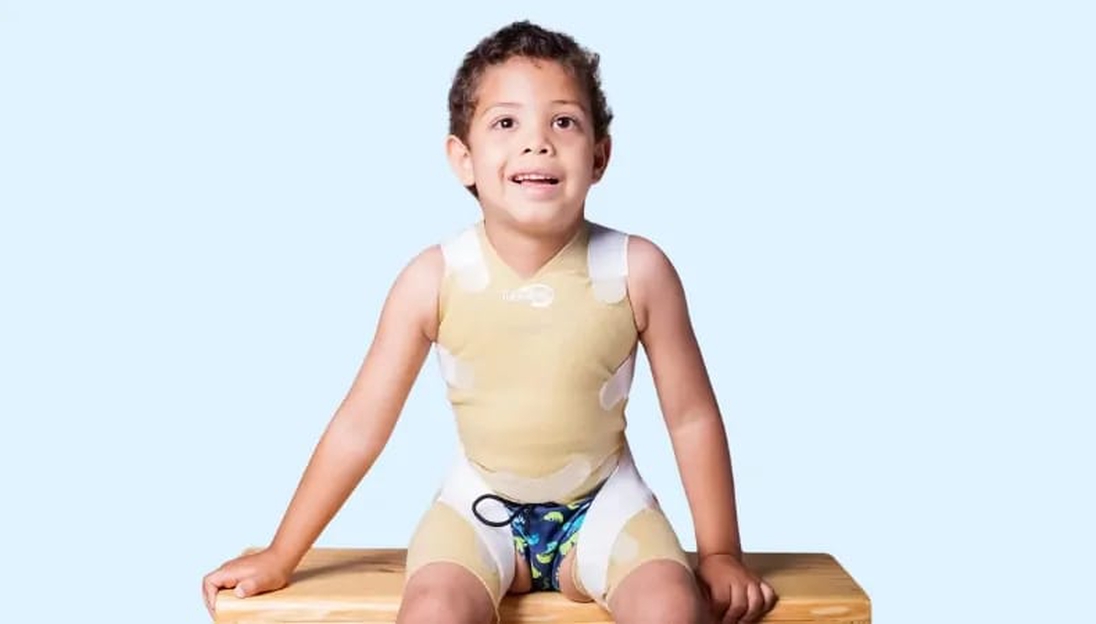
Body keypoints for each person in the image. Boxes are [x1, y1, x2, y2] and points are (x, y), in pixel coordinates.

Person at [202, 20, 777, 624]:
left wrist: (721, 553)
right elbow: (360, 425)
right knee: (433, 610)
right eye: (506, 123)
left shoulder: (638, 270)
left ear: (600, 156)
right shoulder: (434, 279)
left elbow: (691, 417)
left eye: (564, 122)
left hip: (608, 509)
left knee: (671, 607)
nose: (537, 144)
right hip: (478, 513)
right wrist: (282, 553)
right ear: (464, 158)